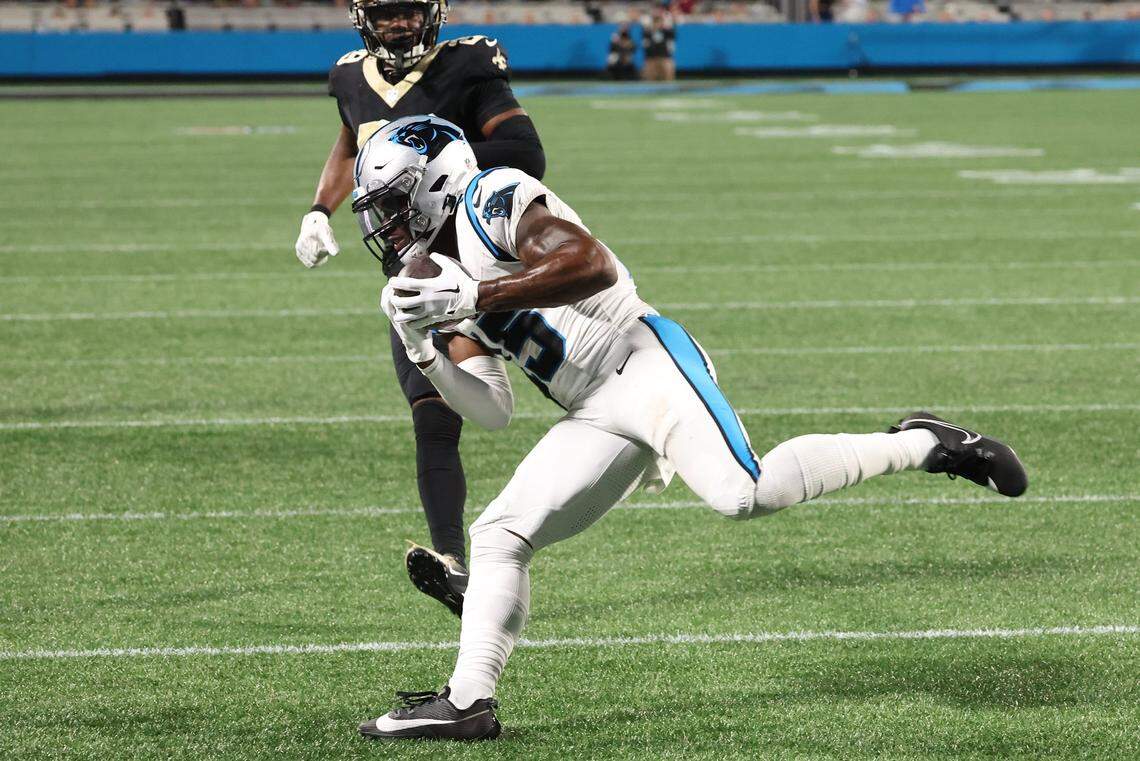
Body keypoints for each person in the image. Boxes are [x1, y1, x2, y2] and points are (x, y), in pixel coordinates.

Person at [353, 115, 1029, 741]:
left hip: (643, 359)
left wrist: (481, 295)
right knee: (500, 533)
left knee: (745, 491)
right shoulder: (432, 278)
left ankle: (927, 442)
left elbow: (592, 265)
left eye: (392, 202)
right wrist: (425, 352)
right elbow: (493, 411)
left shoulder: (491, 198)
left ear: (436, 181)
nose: (385, 224)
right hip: (591, 408)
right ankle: (468, 701)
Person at [292, 0, 546, 618]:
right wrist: (319, 208)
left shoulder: (466, 65)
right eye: (388, 13)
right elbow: (352, 143)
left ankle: (648, 426)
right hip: (413, 263)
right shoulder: (351, 75)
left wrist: (438, 162)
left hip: (484, 252)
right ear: (363, 18)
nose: (400, 24)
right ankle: (452, 564)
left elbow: (524, 150)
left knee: (567, 361)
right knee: (433, 413)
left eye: (409, 11)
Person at [641, 8, 675, 81]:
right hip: (652, 56)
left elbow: (672, 37)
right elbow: (645, 45)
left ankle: (669, 86)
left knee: (668, 66)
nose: (657, 24)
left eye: (658, 21)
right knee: (649, 70)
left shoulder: (666, 32)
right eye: (655, 22)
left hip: (664, 55)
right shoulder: (647, 33)